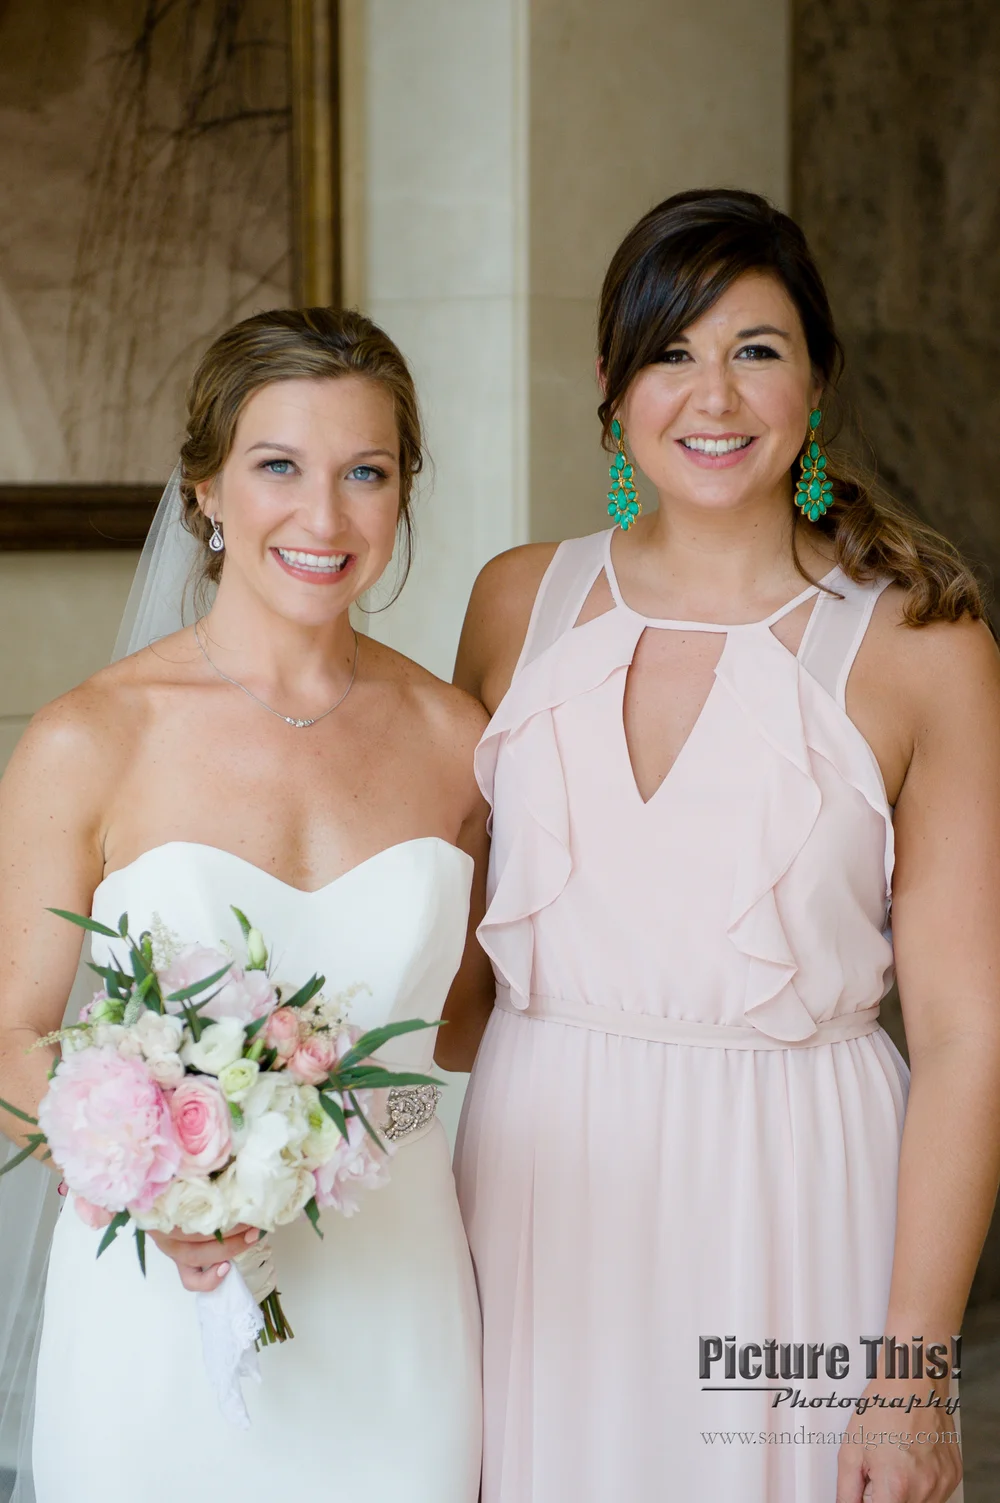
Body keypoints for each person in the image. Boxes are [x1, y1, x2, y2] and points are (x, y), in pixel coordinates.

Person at [446, 189, 1000, 1502]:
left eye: (756, 349)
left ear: (817, 381)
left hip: (793, 1181)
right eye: (672, 352)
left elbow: (969, 1033)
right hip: (538, 1181)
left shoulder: (923, 648)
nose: (715, 395)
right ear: (610, 387)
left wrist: (912, 1371)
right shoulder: (519, 600)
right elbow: (441, 955)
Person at [0, 307, 491, 1502]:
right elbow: (10, 1035)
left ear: (402, 493)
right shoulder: (89, 738)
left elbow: (474, 1027)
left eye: (365, 473)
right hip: (157, 1301)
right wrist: (158, 1188)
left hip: (397, 1301)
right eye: (279, 467)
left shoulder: (461, 744)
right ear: (205, 490)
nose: (324, 517)